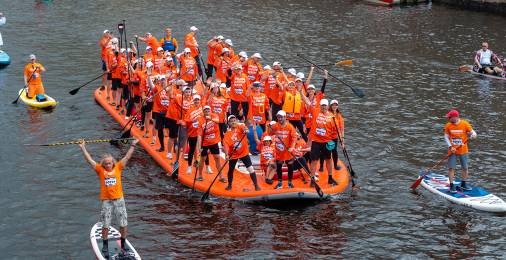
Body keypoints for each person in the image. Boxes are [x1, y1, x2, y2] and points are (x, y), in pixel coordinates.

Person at [79, 138, 140, 257]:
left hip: (119, 200)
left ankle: (123, 245)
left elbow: (127, 157)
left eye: (110, 163)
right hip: (107, 201)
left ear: (113, 162)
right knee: (106, 224)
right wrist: (83, 148)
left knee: (123, 224)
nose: (108, 165)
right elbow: (90, 160)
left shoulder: (118, 167)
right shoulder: (100, 170)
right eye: (106, 163)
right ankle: (105, 246)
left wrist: (132, 145)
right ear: (103, 164)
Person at [223, 115, 260, 191]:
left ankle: (256, 185)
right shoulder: (227, 134)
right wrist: (226, 155)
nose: (233, 122)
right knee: (231, 170)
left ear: (236, 121)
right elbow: (225, 145)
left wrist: (246, 130)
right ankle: (229, 185)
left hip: (244, 152)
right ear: (229, 123)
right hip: (233, 154)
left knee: (250, 168)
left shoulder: (240, 126)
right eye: (231, 121)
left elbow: (245, 128)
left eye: (234, 120)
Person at [444, 109, 477, 193]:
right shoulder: (448, 125)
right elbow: (446, 137)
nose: (448, 119)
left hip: (463, 150)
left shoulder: (465, 124)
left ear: (455, 117)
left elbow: (473, 133)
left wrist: (473, 135)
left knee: (465, 168)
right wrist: (450, 146)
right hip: (452, 150)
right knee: (451, 168)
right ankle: (451, 185)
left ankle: (463, 184)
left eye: (450, 117)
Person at [308, 99, 338, 185]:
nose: (324, 107)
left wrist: (333, 141)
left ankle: (330, 178)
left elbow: (334, 130)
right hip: (316, 141)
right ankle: (312, 180)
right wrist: (300, 92)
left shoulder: (332, 116)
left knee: (328, 159)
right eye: (322, 105)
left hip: (327, 142)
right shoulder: (315, 111)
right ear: (320, 106)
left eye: (325, 105)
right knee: (314, 160)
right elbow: (308, 102)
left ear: (328, 106)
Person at [195, 105, 225, 182]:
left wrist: (210, 118)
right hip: (205, 143)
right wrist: (199, 148)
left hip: (214, 142)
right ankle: (200, 175)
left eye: (208, 110)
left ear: (210, 110)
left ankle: (221, 176)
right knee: (202, 159)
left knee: (217, 158)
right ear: (203, 112)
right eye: (205, 110)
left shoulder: (214, 115)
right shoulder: (201, 120)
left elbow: (218, 121)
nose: (207, 111)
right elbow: (199, 135)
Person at [271, 110, 297, 189]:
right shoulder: (275, 125)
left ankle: (289, 182)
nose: (280, 119)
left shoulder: (290, 127)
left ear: (285, 117)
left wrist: (292, 147)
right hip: (279, 151)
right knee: (279, 166)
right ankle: (280, 183)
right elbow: (270, 133)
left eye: (281, 117)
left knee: (290, 166)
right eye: (278, 117)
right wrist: (271, 133)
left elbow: (294, 138)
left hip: (288, 150)